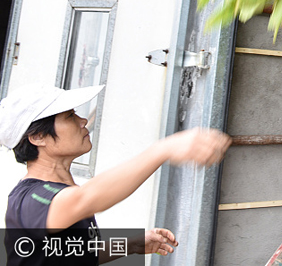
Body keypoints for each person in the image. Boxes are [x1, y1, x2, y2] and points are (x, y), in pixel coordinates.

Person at [0, 83, 231, 264]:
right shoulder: (31, 200)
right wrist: (163, 149)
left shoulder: (60, 194)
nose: (82, 121)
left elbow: (75, 252)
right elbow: (86, 199)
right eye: (69, 116)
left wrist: (131, 245)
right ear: (38, 137)